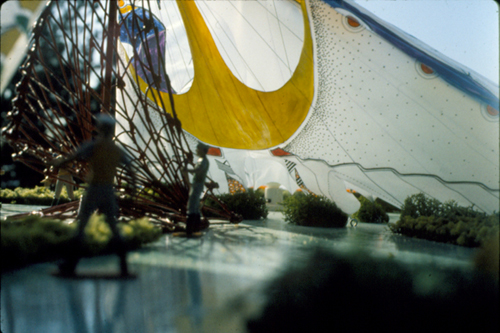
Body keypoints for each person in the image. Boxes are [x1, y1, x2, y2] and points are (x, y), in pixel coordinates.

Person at [50, 114, 136, 276]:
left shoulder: (94, 146)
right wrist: (133, 189)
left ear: (99, 129)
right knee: (114, 227)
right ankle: (124, 266)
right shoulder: (116, 149)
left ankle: (70, 265)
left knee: (81, 226)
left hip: (94, 189)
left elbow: (73, 157)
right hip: (108, 190)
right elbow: (131, 170)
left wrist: (57, 164)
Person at [185, 142, 210, 234]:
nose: (196, 150)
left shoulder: (203, 161)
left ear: (203, 150)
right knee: (194, 206)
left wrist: (187, 169)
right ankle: (195, 227)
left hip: (198, 184)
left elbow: (198, 170)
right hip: (197, 184)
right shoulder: (201, 160)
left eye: (198, 148)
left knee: (193, 205)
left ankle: (190, 228)